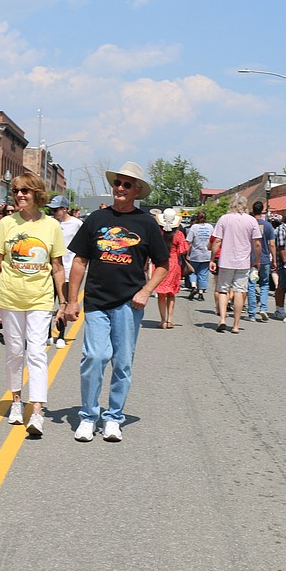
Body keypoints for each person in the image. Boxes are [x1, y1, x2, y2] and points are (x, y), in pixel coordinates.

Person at [61, 161, 168, 442]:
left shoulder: (145, 223)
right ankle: (88, 415)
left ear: (137, 190)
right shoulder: (96, 219)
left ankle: (113, 417)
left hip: (128, 304)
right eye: (117, 183)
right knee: (95, 357)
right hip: (96, 301)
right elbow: (80, 261)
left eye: (126, 184)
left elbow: (162, 264)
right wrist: (71, 300)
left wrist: (146, 291)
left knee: (122, 363)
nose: (120, 188)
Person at [0, 172, 66, 438]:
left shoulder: (51, 226)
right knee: (15, 351)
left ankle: (37, 410)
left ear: (37, 194)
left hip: (40, 298)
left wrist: (63, 301)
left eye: (25, 191)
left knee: (37, 353)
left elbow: (57, 266)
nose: (19, 195)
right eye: (17, 190)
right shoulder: (7, 223)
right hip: (9, 297)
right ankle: (16, 401)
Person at [209, 194, 261, 334]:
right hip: (243, 262)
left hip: (226, 260)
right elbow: (257, 243)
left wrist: (213, 259)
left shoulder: (224, 219)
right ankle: (236, 325)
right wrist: (257, 260)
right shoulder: (251, 221)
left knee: (223, 290)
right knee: (240, 291)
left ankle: (222, 319)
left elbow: (217, 241)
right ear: (245, 205)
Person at [48, 194, 82, 349]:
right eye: (52, 210)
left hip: (68, 269)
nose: (53, 213)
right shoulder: (49, 223)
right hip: (50, 268)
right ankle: (47, 334)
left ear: (64, 209)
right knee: (48, 303)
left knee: (64, 303)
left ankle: (60, 335)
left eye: (56, 210)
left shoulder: (76, 224)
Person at [153, 208, 188, 329]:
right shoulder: (179, 234)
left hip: (159, 263)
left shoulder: (157, 233)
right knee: (171, 293)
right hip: (173, 263)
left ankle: (162, 320)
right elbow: (183, 250)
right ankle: (170, 319)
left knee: (161, 293)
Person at [245, 201, 276, 323]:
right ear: (263, 210)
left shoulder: (249, 224)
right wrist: (273, 258)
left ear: (253, 210)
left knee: (251, 285)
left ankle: (252, 313)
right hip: (264, 259)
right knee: (264, 284)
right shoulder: (268, 226)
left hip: (251, 259)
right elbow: (272, 244)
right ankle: (263, 308)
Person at [185, 212, 213, 301]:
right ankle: (201, 293)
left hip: (196, 254)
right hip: (207, 254)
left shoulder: (194, 227)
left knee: (193, 272)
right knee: (204, 273)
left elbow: (189, 241)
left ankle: (193, 286)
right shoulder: (210, 227)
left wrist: (187, 253)